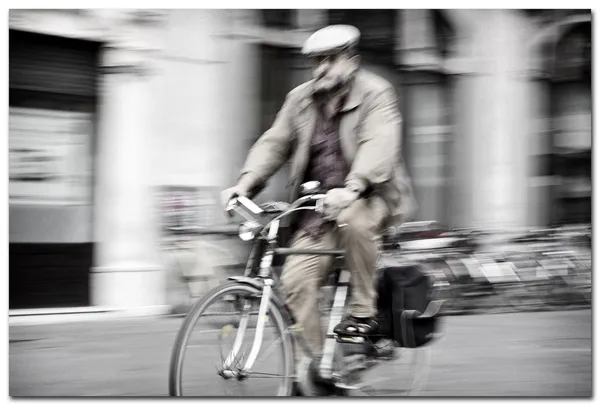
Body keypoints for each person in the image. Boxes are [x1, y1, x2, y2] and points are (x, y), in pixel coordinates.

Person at [221, 24, 416, 388]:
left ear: (352, 62)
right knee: (295, 283)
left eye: (330, 60)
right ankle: (324, 367)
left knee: (355, 219)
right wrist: (244, 183)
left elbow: (379, 144)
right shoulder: (300, 99)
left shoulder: (376, 93)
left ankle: (363, 313)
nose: (321, 69)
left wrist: (354, 186)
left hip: (368, 196)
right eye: (316, 62)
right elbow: (275, 142)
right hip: (315, 210)